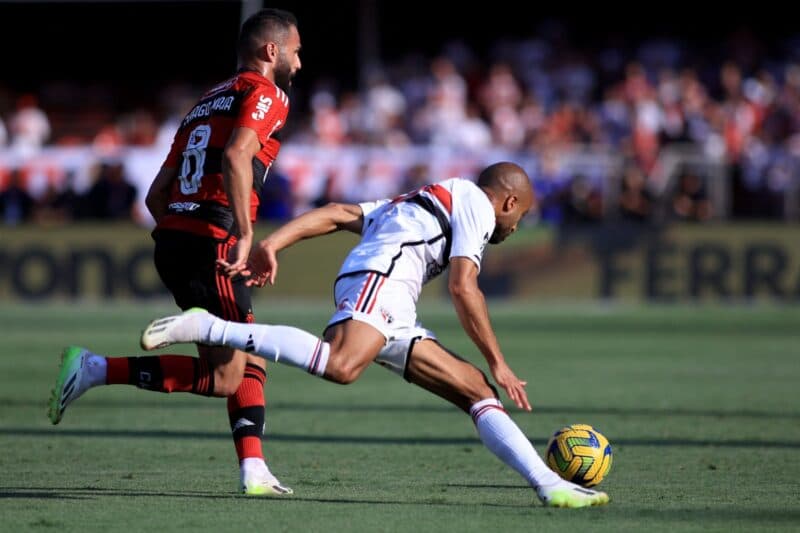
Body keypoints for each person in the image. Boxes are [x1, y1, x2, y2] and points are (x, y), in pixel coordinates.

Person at [138, 162, 610, 508]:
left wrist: (272, 243)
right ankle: (210, 327)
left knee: (475, 391)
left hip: (390, 296)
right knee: (342, 365)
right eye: (519, 216)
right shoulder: (475, 205)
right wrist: (499, 360)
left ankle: (549, 485)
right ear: (508, 202)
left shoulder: (421, 200)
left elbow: (339, 213)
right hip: (380, 281)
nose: (515, 225)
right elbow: (465, 287)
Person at [47, 8, 302, 496]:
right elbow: (236, 155)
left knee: (244, 360)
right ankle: (95, 369)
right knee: (233, 372)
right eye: (296, 50)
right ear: (272, 51)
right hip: (216, 238)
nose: (300, 60)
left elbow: (155, 194)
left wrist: (182, 231)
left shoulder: (205, 101)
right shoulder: (267, 93)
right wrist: (243, 234)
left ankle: (254, 470)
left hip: (175, 238)